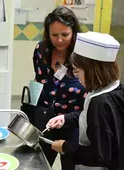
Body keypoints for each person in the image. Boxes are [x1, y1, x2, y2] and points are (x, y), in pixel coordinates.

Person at [49, 31, 124, 170]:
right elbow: (93, 118)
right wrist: (66, 118)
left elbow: (99, 155)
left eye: (78, 72)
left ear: (93, 70)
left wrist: (66, 147)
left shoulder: (100, 103)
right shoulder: (114, 88)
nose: (76, 77)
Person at [32, 6, 86, 169]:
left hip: (74, 122)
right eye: (54, 35)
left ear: (74, 32)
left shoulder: (82, 54)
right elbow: (38, 81)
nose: (60, 40)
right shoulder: (41, 50)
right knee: (38, 163)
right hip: (46, 119)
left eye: (65, 35)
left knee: (71, 165)